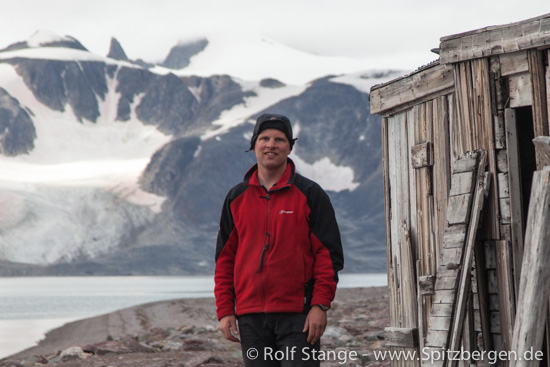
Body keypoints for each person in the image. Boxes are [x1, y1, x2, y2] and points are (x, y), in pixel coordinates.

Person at [214, 113, 344, 366]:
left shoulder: (310, 194)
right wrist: (225, 310)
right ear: (254, 145)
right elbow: (224, 260)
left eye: (279, 139)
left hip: (299, 317)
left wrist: (320, 305)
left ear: (289, 147)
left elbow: (328, 256)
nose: (271, 144)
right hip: (251, 318)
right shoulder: (236, 197)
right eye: (264, 138)